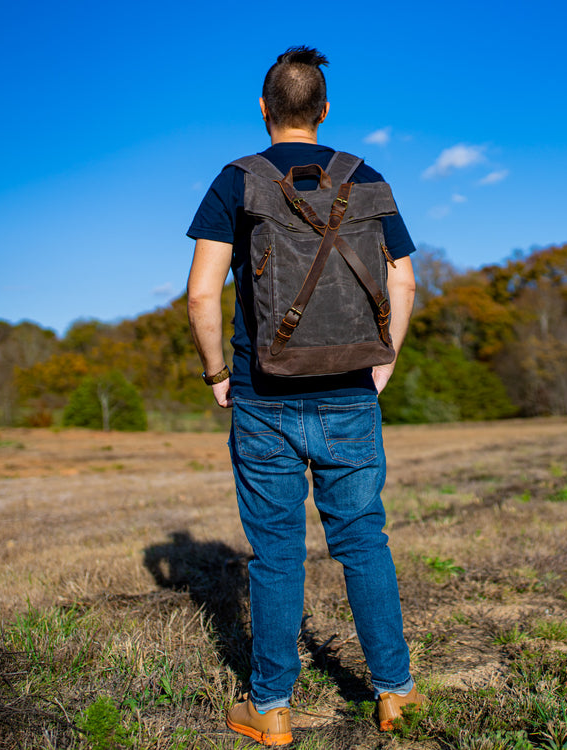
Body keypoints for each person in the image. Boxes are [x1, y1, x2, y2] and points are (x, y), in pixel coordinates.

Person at [186, 46, 423, 746]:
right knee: (363, 541)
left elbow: (202, 294)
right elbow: (404, 280)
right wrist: (384, 362)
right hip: (352, 388)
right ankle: (395, 695)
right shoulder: (366, 176)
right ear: (324, 111)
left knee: (277, 553)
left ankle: (272, 708)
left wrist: (215, 375)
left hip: (263, 396)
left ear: (263, 110)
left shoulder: (237, 181)